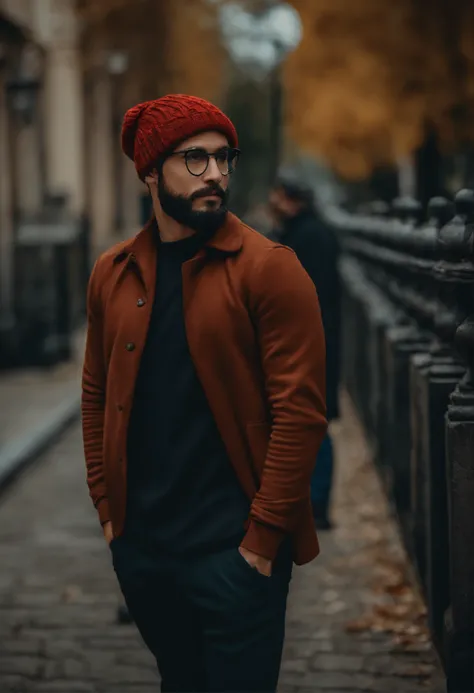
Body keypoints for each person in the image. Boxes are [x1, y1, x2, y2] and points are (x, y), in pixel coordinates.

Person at [81, 94, 327, 693]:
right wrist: (111, 516)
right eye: (194, 159)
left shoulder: (271, 269)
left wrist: (261, 542)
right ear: (149, 172)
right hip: (146, 555)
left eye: (223, 158)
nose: (215, 173)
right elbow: (95, 392)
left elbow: (301, 413)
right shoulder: (112, 273)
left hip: (235, 556)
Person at [269, 175, 341, 529]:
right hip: (312, 343)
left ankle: (316, 506)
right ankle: (311, 504)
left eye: (278, 196)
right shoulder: (309, 233)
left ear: (291, 199)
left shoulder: (306, 237)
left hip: (310, 345)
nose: (273, 202)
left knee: (313, 423)